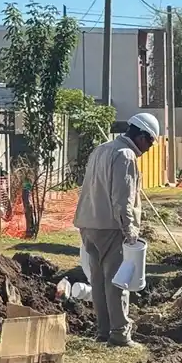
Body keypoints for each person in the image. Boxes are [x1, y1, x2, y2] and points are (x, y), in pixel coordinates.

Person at [74, 113, 160, 346]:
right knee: (118, 282)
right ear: (141, 136)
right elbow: (122, 199)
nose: (150, 148)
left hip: (88, 224)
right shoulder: (126, 155)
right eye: (150, 142)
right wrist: (130, 231)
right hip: (111, 228)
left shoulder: (101, 149)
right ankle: (120, 334)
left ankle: (103, 332)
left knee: (99, 281)